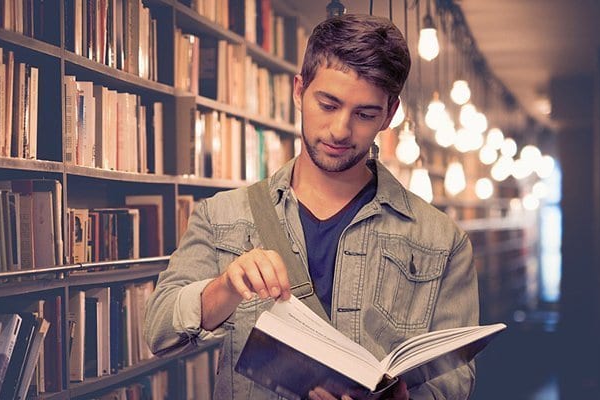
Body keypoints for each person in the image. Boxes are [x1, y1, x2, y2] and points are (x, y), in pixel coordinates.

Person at [143, 13, 477, 400]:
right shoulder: (223, 216)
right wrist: (225, 288)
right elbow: (158, 330)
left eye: (365, 114)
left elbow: (455, 381)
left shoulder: (442, 239)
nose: (340, 130)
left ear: (389, 114)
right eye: (328, 104)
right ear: (299, 91)